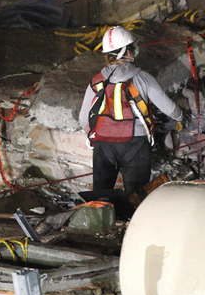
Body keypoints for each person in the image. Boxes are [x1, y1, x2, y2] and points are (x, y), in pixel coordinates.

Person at [78, 27, 184, 196]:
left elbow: (83, 118)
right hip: (135, 145)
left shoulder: (97, 81)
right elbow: (169, 108)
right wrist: (180, 118)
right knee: (136, 197)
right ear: (127, 51)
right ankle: (131, 222)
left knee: (100, 197)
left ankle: (105, 221)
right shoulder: (142, 78)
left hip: (103, 145)